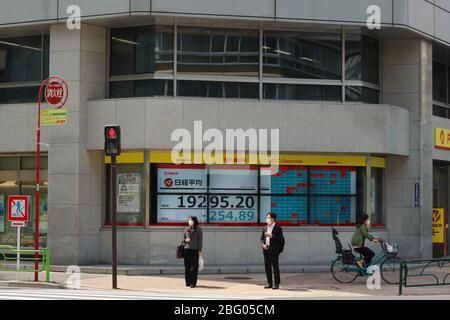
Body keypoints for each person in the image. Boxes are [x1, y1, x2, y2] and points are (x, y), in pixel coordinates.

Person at [261, 212, 285, 290]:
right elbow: (261, 239)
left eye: (269, 218)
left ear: (273, 219)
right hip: (266, 250)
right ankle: (269, 283)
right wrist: (263, 245)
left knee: (275, 267)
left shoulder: (278, 228)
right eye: (267, 217)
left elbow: (281, 240)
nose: (267, 219)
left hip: (274, 250)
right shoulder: (265, 228)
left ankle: (276, 283)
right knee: (267, 267)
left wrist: (272, 236)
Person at [182, 216, 203, 288]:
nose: (189, 221)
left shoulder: (198, 229)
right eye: (189, 220)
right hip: (186, 249)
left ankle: (193, 282)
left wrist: (200, 250)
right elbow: (183, 239)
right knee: (187, 266)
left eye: (190, 220)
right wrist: (185, 240)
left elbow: (200, 241)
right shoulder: (186, 229)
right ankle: (187, 281)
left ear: (194, 221)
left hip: (194, 250)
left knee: (194, 267)